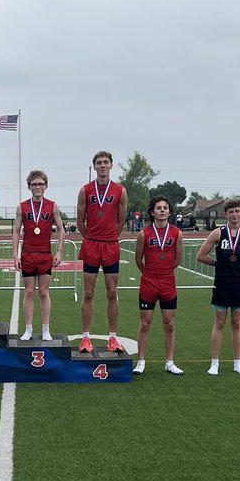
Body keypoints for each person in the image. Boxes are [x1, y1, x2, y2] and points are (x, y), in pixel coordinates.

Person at [196, 197, 240, 376]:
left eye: (237, 211)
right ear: (226, 214)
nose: (234, 214)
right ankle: (215, 363)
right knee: (219, 322)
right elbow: (201, 255)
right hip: (222, 283)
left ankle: (237, 363)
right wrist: (218, 264)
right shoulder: (217, 233)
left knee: (236, 323)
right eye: (231, 212)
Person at [76, 150, 128, 354]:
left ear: (111, 165)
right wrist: (91, 237)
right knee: (88, 293)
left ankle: (113, 338)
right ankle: (85, 338)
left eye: (106, 162)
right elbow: (80, 222)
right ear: (95, 166)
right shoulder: (85, 190)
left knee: (112, 292)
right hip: (91, 244)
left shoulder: (120, 191)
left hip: (110, 245)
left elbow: (121, 221)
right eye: (99, 162)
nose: (103, 165)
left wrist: (110, 237)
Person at [134, 195, 183, 376]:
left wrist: (164, 271)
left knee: (169, 324)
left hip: (168, 282)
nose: (162, 210)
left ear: (169, 212)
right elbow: (138, 259)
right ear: (152, 212)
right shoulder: (144, 234)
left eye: (165, 208)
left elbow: (177, 259)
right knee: (145, 323)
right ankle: (141, 361)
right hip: (149, 282)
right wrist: (150, 273)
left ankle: (169, 362)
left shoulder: (177, 233)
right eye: (158, 208)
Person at [14, 170, 65, 342]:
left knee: (43, 292)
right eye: (34, 184)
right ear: (29, 186)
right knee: (29, 292)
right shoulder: (22, 207)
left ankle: (46, 329)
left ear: (46, 186)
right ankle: (28, 329)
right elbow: (16, 232)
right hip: (28, 254)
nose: (37, 187)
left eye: (41, 184)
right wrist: (15, 254)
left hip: (44, 254)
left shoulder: (52, 206)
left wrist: (59, 251)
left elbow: (61, 230)